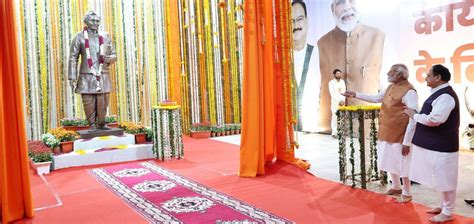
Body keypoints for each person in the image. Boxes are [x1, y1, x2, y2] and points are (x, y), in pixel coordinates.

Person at [343, 64, 418, 203]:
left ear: (401, 75)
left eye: (392, 71)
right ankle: (396, 186)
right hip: (386, 129)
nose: (388, 73)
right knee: (388, 159)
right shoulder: (390, 87)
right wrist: (355, 94)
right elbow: (377, 98)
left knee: (402, 164)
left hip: (400, 133)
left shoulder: (410, 91)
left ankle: (407, 193)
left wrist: (407, 142)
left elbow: (414, 118)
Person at [317, 0, 385, 133]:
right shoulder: (321, 43)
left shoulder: (380, 38)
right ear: (332, 8)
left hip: (368, 129)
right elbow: (318, 90)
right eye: (340, 2)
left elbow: (386, 89)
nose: (347, 7)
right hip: (331, 131)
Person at [403, 64, 460, 223]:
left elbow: (435, 119)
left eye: (428, 75)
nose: (425, 77)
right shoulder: (439, 94)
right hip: (437, 144)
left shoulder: (446, 96)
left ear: (438, 77)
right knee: (440, 177)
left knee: (446, 178)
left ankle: (448, 212)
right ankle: (443, 206)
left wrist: (414, 115)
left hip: (444, 145)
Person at [68, 11, 117, 129]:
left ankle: (101, 124)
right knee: (88, 102)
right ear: (86, 22)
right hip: (86, 75)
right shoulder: (79, 37)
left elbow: (114, 54)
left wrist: (110, 58)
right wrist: (72, 76)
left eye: (97, 21)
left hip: (103, 74)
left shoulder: (105, 36)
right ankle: (92, 125)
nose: (96, 23)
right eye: (92, 21)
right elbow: (73, 57)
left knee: (103, 102)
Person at [292, 0, 320, 132]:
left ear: (307, 21)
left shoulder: (318, 53)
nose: (296, 25)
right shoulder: (280, 58)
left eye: (300, 19)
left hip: (313, 128)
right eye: (291, 21)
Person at [328, 69, 346, 137]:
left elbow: (344, 91)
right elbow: (332, 93)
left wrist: (343, 100)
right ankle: (334, 132)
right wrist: (339, 101)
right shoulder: (331, 83)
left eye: (340, 73)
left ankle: (341, 132)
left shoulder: (342, 82)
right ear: (334, 74)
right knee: (335, 116)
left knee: (342, 116)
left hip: (342, 101)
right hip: (335, 102)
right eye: (337, 74)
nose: (339, 75)